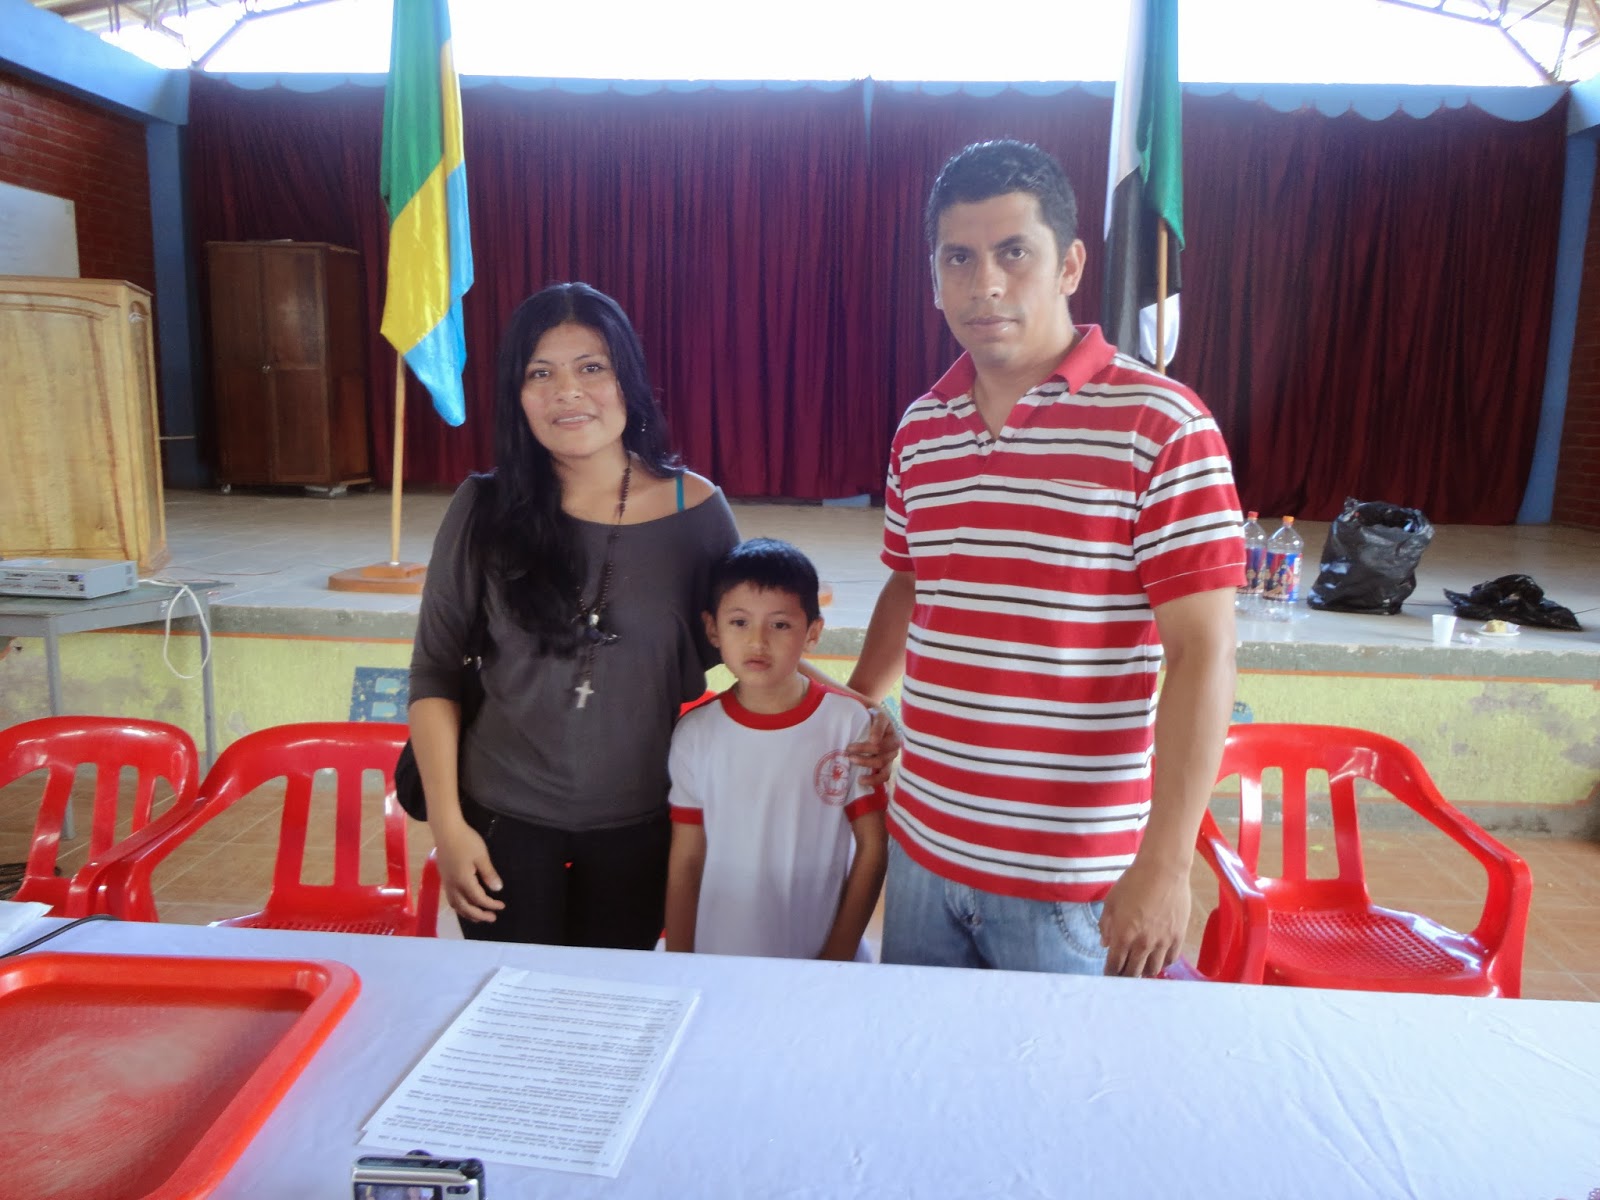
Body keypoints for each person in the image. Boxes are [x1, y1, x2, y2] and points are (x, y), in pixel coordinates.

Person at [848, 140, 1244, 979]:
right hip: (924, 848)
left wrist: (1167, 864)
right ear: (934, 278)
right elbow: (912, 582)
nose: (984, 284)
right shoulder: (922, 430)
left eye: (1013, 253)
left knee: (1062, 1069)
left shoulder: (1163, 426)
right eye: (958, 258)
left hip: (1069, 878)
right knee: (924, 1060)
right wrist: (858, 704)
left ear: (1069, 266)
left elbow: (1203, 651)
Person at [408, 281, 739, 948]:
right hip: (500, 822)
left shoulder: (697, 512)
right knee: (513, 1000)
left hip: (640, 826)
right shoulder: (483, 509)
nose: (568, 392)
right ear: (517, 393)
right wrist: (448, 825)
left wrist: (850, 708)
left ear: (628, 380)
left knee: (606, 1003)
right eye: (541, 373)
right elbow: (434, 672)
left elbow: (756, 648)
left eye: (591, 368)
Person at [664, 538, 888, 961]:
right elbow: (687, 860)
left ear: (813, 633)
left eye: (780, 625)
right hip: (719, 962)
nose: (758, 641)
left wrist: (838, 955)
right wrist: (679, 961)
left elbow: (872, 848)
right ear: (712, 629)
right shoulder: (696, 733)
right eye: (739, 622)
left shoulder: (847, 724)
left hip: (821, 962)